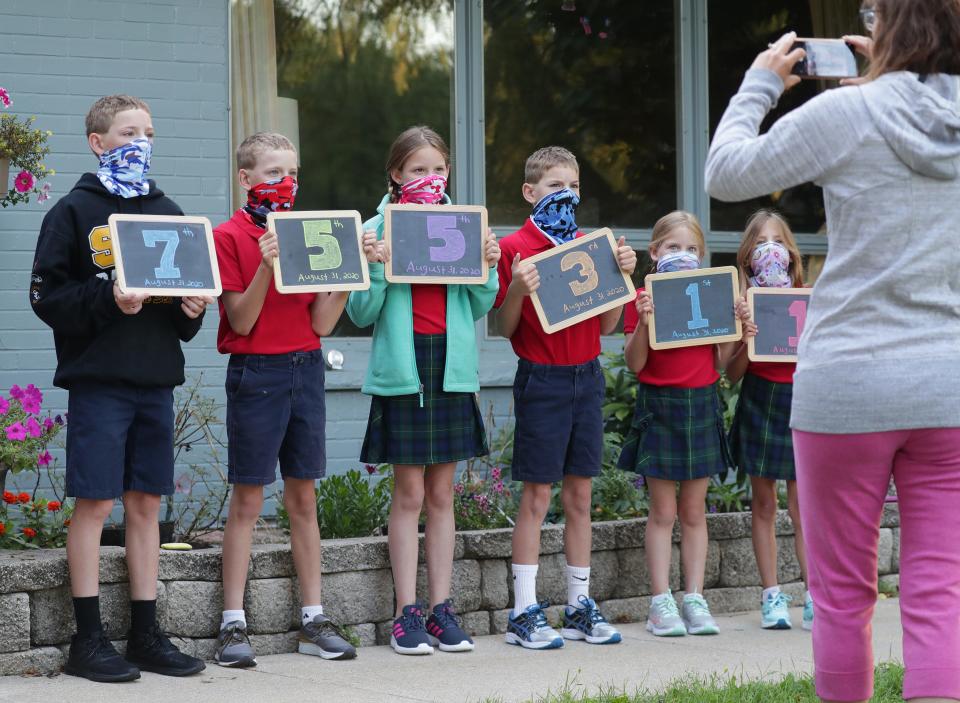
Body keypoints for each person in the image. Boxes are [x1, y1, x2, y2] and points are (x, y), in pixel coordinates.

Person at [705, 1, 960, 700]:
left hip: (846, 385)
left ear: (888, 25)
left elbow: (724, 173)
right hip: (947, 387)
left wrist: (761, 80)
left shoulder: (847, 116)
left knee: (843, 599)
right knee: (939, 594)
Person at [30, 95, 210, 682]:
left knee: (147, 505)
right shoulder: (72, 212)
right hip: (99, 382)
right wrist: (107, 297)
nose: (142, 141)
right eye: (129, 132)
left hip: (155, 380)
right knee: (94, 502)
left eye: (149, 132)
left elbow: (182, 321)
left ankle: (146, 633)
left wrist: (191, 310)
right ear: (98, 141)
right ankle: (88, 639)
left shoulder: (170, 212)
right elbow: (48, 300)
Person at [345, 125, 501, 655]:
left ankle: (440, 611)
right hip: (403, 371)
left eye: (438, 169)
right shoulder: (374, 229)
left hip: (450, 369)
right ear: (395, 174)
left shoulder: (463, 225)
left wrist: (490, 267)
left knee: (441, 495)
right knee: (409, 494)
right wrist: (377, 263)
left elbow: (478, 305)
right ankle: (405, 614)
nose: (430, 178)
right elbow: (361, 311)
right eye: (418, 170)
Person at [212, 132, 357, 667]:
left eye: (292, 172)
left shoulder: (309, 232)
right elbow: (242, 320)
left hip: (305, 368)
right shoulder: (228, 235)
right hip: (256, 373)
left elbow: (320, 322)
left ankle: (313, 618)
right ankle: (232, 624)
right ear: (245, 179)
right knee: (248, 499)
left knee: (304, 499)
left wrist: (347, 278)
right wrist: (266, 266)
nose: (286, 183)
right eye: (274, 173)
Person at [495, 146, 635, 649]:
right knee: (537, 495)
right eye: (555, 186)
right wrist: (516, 288)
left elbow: (609, 323)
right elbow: (502, 328)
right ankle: (524, 610)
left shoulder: (589, 245)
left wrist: (623, 275)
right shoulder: (514, 246)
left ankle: (578, 604)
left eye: (573, 186)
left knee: (581, 495)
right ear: (530, 192)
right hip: (542, 378)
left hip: (586, 376)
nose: (566, 195)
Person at [618, 211, 742, 638]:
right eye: (673, 248)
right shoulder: (644, 296)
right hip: (660, 403)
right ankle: (659, 602)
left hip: (701, 402)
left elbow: (722, 361)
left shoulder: (711, 294)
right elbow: (635, 364)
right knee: (663, 511)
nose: (683, 255)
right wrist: (643, 321)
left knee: (693, 511)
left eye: (692, 250)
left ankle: (694, 596)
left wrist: (738, 326)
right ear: (655, 252)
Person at [724, 209, 812, 631]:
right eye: (760, 244)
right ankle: (772, 596)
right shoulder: (742, 306)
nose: (770, 251)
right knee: (764, 503)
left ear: (791, 254)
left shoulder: (808, 298)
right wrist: (744, 337)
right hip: (761, 400)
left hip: (803, 403)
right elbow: (731, 374)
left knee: (804, 507)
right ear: (748, 258)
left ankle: (816, 595)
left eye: (777, 241)